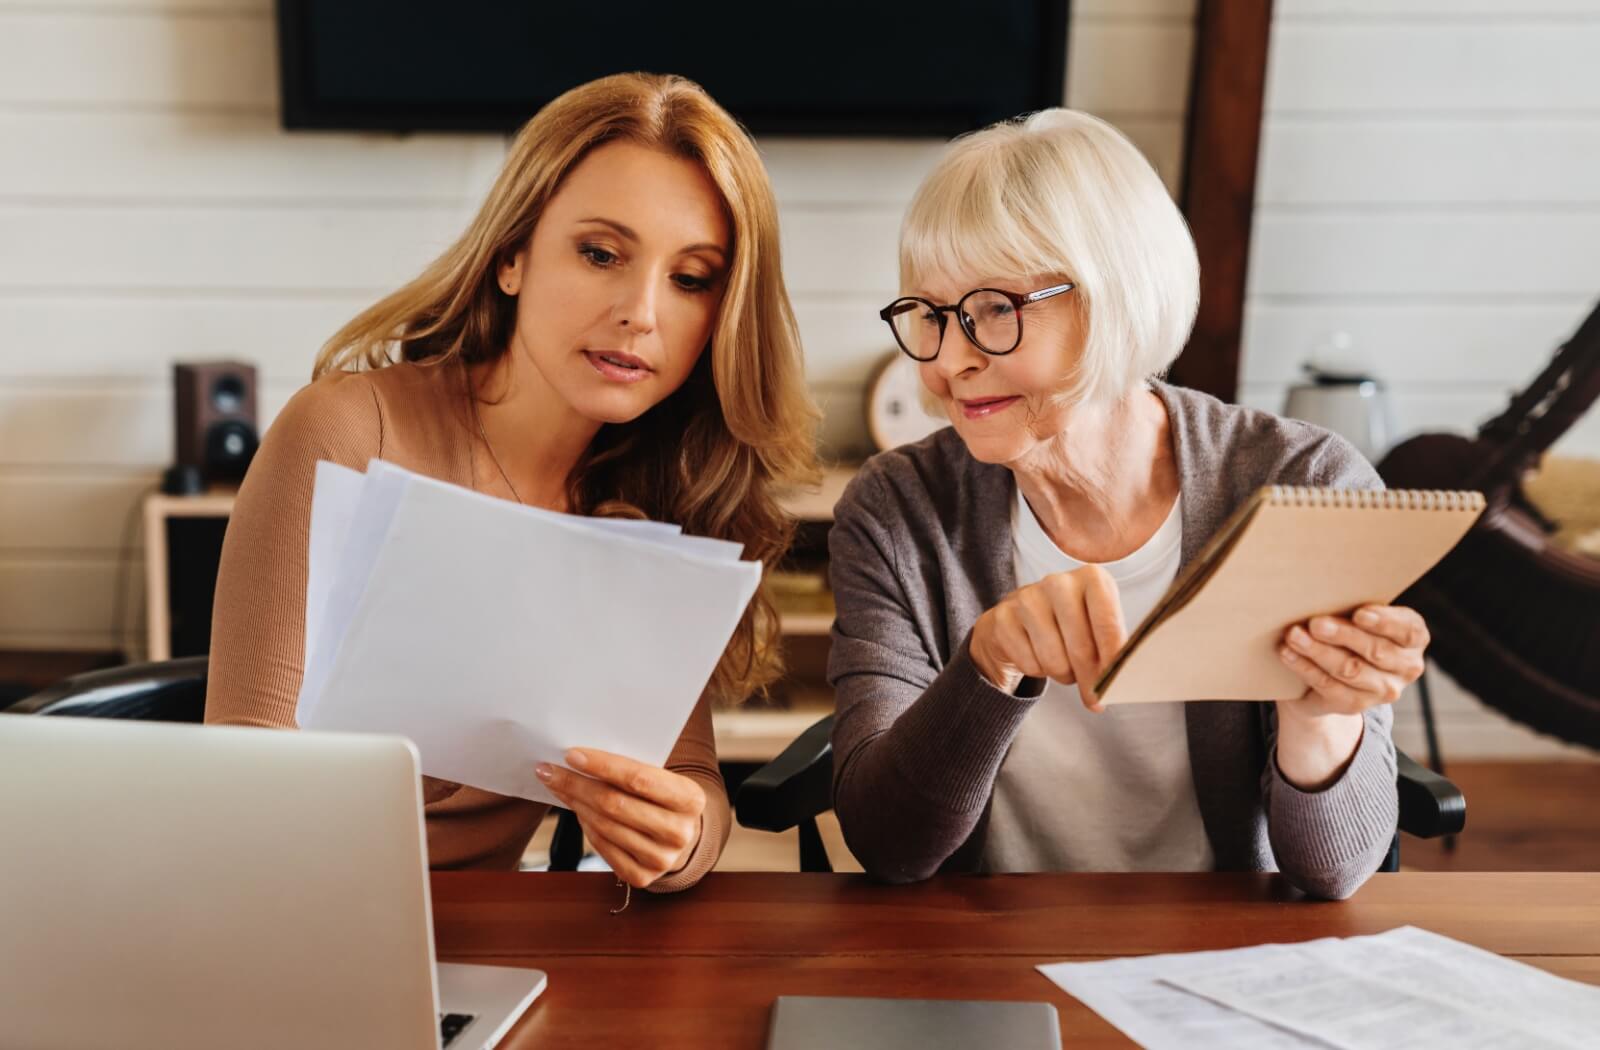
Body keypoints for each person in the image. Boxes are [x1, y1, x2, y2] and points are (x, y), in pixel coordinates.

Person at [206, 73, 818, 891]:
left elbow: (696, 783)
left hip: (487, 945)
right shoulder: (349, 433)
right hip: (291, 922)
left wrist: (676, 838)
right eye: (601, 254)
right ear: (511, 257)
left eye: (691, 277)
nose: (642, 312)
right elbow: (244, 790)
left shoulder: (662, 488)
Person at [828, 109, 1424, 899]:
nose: (951, 360)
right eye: (931, 316)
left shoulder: (1305, 485)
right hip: (987, 953)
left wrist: (1320, 716)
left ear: (1115, 297)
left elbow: (1332, 875)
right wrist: (989, 664)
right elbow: (888, 845)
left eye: (997, 310)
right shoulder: (899, 510)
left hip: (1221, 958)